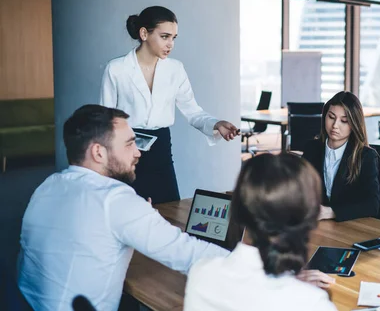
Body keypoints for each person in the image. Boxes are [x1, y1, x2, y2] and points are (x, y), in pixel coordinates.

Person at [18, 105, 229, 311]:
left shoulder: (47, 186)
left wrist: (137, 220)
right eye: (129, 144)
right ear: (98, 152)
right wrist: (255, 265)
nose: (138, 152)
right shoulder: (115, 199)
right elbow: (190, 254)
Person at [100, 6, 239, 204]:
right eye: (165, 36)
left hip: (161, 150)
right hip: (126, 150)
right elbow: (105, 120)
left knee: (169, 209)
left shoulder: (176, 69)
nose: (170, 44)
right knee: (129, 212)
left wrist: (216, 124)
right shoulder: (116, 69)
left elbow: (192, 111)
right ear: (144, 33)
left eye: (174, 38)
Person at [183, 154, 338, 311]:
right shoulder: (312, 302)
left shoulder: (200, 273)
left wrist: (292, 281)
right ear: (309, 219)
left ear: (238, 211)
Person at [302, 91, 380, 222]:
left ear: (354, 124)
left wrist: (330, 212)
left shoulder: (365, 156)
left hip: (349, 226)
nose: (335, 125)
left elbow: (372, 205)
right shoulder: (312, 148)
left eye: (344, 121)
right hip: (314, 225)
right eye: (331, 117)